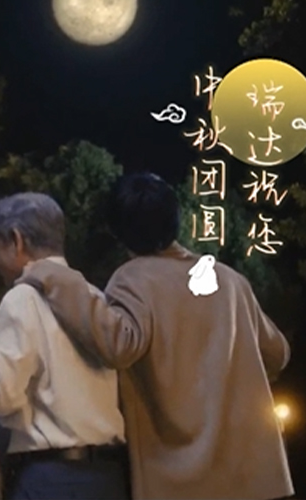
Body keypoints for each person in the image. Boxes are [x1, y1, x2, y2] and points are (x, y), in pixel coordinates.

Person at [18, 173, 293, 500]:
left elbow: (118, 346)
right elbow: (278, 353)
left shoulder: (134, 279)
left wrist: (56, 278)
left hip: (182, 481)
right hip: (252, 478)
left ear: (118, 231)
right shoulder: (229, 280)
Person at [0, 192, 129, 500]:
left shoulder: (23, 298)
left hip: (51, 478)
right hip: (107, 478)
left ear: (16, 240)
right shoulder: (94, 296)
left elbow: (0, 394)